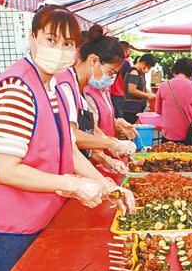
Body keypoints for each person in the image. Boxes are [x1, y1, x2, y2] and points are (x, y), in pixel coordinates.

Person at [0, 4, 134, 271]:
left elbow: (68, 148)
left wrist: (104, 184)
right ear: (32, 38)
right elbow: (5, 170)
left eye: (68, 44)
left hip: (37, 217)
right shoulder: (17, 90)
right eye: (51, 39)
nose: (59, 49)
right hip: (8, 227)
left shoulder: (50, 87)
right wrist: (70, 184)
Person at [56, 25, 136, 174]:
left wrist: (105, 157)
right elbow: (72, 135)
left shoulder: (79, 89)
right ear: (93, 60)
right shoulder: (65, 85)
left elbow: (91, 128)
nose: (111, 78)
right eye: (111, 72)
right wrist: (111, 143)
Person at [154, 58, 192, 144]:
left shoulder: (164, 85)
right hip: (189, 136)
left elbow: (158, 110)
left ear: (175, 70)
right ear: (191, 74)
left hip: (168, 136)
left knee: (165, 157)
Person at [123, 53, 156, 124]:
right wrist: (147, 96)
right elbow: (132, 90)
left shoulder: (140, 73)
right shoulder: (134, 72)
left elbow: (143, 88)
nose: (148, 70)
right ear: (143, 63)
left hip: (138, 107)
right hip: (131, 108)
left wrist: (151, 94)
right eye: (149, 67)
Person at [110, 40, 132, 119]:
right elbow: (127, 81)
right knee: (120, 118)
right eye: (129, 50)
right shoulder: (125, 63)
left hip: (112, 93)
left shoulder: (114, 61)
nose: (130, 52)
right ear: (126, 50)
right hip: (120, 94)